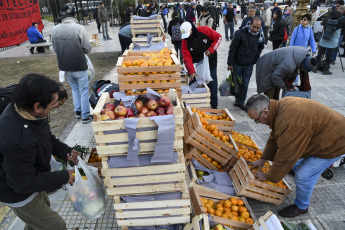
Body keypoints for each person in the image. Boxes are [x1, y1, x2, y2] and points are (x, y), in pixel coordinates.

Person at [0, 73, 80, 229]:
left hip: (31, 178)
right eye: (53, 103)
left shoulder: (25, 110)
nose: (56, 106)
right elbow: (24, 183)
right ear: (37, 106)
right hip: (17, 192)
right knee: (55, 226)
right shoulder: (17, 140)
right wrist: (64, 176)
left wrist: (65, 150)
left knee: (37, 222)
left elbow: (47, 137)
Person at [245, 94, 345, 218]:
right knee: (297, 162)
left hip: (335, 143)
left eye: (256, 120)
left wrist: (269, 176)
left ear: (265, 112)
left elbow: (286, 156)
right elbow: (275, 137)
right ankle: (305, 169)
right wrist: (263, 159)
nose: (257, 123)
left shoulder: (290, 121)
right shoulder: (279, 108)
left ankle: (301, 206)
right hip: (321, 134)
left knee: (303, 175)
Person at [52, 11, 93, 124]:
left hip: (65, 65)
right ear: (73, 17)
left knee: (75, 89)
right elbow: (87, 48)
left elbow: (55, 48)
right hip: (79, 64)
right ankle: (85, 116)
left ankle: (78, 112)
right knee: (84, 90)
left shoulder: (55, 29)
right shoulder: (79, 28)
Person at [181, 22, 222, 109]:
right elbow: (186, 57)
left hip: (210, 61)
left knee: (212, 80)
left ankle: (214, 104)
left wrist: (211, 50)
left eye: (188, 34)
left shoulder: (204, 30)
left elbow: (218, 37)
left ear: (192, 29)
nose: (187, 37)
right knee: (194, 82)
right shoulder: (185, 42)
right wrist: (191, 71)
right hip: (197, 64)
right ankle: (195, 104)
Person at [227, 17, 264, 110]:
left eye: (258, 28)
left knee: (245, 83)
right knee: (237, 83)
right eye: (254, 27)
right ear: (250, 24)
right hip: (237, 63)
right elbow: (232, 48)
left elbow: (260, 47)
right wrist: (230, 63)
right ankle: (238, 99)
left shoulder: (260, 35)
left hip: (249, 64)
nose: (255, 30)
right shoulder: (240, 33)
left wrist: (255, 58)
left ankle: (241, 102)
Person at [314, 6, 345, 75]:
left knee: (320, 52)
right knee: (329, 54)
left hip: (325, 36)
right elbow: (343, 29)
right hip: (334, 37)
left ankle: (316, 67)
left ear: (338, 9)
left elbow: (323, 23)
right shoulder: (342, 18)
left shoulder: (330, 14)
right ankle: (326, 69)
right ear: (343, 11)